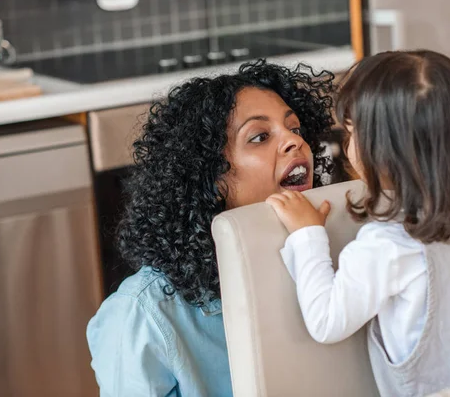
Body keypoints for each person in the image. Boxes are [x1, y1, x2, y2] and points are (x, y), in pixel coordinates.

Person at [266, 50, 450, 397]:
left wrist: (307, 234)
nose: (347, 145)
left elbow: (326, 321)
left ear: (381, 150)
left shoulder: (387, 244)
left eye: (350, 132)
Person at [86, 60, 341, 396]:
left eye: (294, 129)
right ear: (212, 179)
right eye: (260, 136)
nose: (296, 143)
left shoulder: (324, 257)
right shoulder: (143, 313)